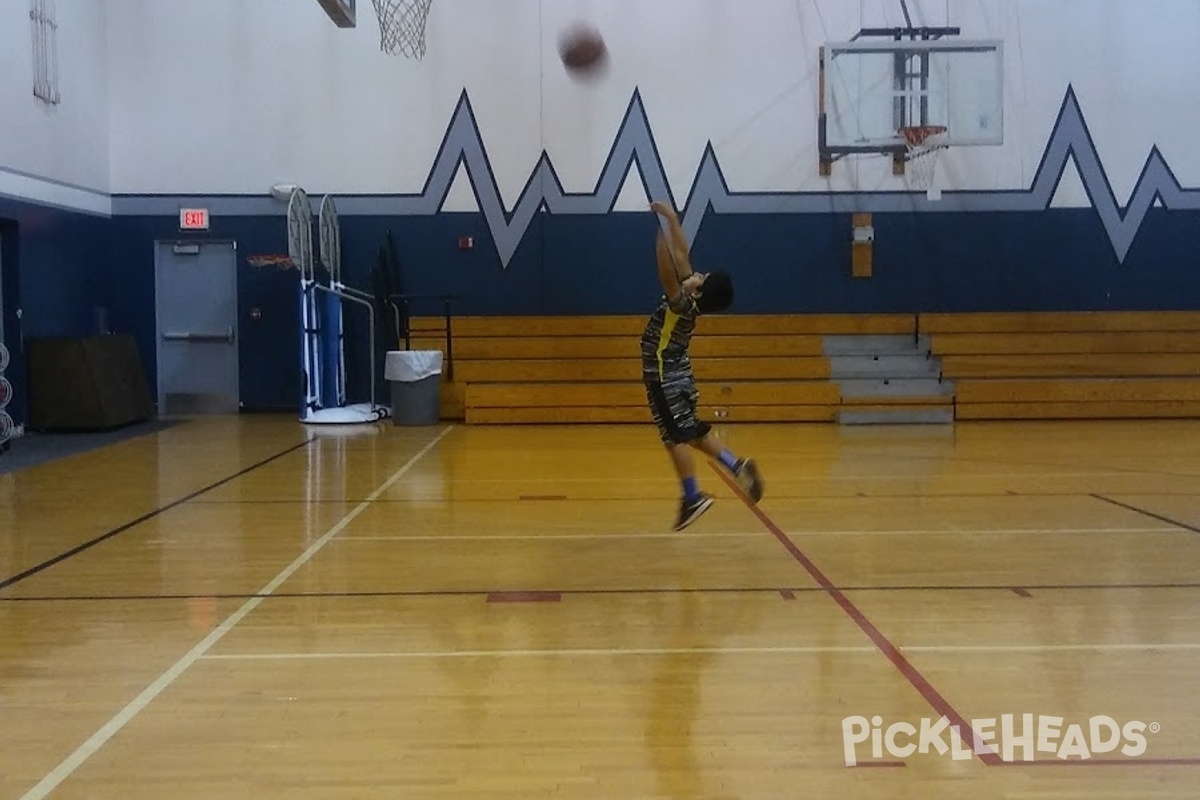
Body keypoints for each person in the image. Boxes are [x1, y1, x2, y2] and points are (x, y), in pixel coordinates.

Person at [641, 201, 763, 530]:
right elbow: (680, 254)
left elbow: (666, 269)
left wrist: (660, 241)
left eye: (704, 277)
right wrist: (669, 220)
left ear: (701, 291)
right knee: (692, 431)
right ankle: (735, 464)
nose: (699, 272)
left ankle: (691, 497)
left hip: (664, 377)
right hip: (680, 376)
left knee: (673, 437)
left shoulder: (682, 303)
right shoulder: (691, 301)